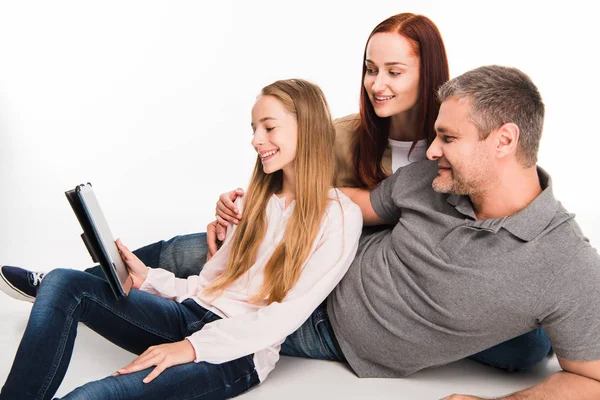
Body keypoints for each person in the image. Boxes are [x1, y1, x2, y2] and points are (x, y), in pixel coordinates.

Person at [0, 13, 550, 374]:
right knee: (196, 247)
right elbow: (281, 185)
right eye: (369, 69)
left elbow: (498, 207)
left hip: (382, 286)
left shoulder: (458, 146)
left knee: (527, 346)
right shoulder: (341, 134)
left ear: (428, 72)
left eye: (394, 71)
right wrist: (239, 211)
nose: (377, 83)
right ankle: (75, 282)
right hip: (307, 261)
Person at [0, 79, 363, 399]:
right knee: (64, 281)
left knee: (92, 396)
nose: (255, 140)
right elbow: (210, 285)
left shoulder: (341, 217)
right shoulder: (252, 202)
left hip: (235, 354)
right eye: (254, 128)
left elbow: (284, 317)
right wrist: (149, 280)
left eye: (268, 127)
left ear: (309, 128)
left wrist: (191, 348)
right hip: (188, 316)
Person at [341, 65, 600, 398]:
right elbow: (356, 205)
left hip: (325, 331)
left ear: (504, 140)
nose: (432, 150)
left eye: (448, 138)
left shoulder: (568, 264)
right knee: (527, 349)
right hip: (314, 273)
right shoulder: (430, 178)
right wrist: (272, 197)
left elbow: (594, 380)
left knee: (530, 344)